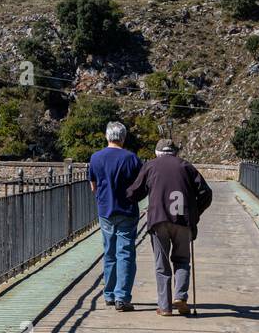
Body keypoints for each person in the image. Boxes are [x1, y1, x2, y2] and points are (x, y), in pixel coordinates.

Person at [126, 139, 212, 316]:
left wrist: (125, 195)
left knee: (161, 264)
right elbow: (206, 192)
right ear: (174, 152)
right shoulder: (185, 166)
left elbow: (134, 193)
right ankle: (180, 296)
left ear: (157, 152)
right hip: (182, 220)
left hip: (159, 219)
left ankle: (164, 306)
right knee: (181, 260)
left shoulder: (151, 166)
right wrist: (195, 213)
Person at [87, 121, 142, 311]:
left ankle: (108, 295)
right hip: (127, 211)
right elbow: (140, 187)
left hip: (105, 212)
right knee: (125, 253)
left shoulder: (95, 158)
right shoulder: (132, 159)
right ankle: (122, 297)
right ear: (124, 137)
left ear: (107, 136)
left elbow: (93, 187)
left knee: (109, 252)